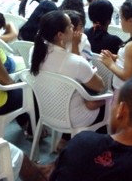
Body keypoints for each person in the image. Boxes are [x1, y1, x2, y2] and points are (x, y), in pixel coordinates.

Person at [30, 10, 106, 150]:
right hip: (74, 117)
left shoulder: (34, 53)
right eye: (70, 26)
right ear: (60, 35)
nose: (74, 29)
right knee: (109, 102)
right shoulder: (75, 62)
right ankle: (92, 154)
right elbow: (100, 86)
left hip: (47, 111)